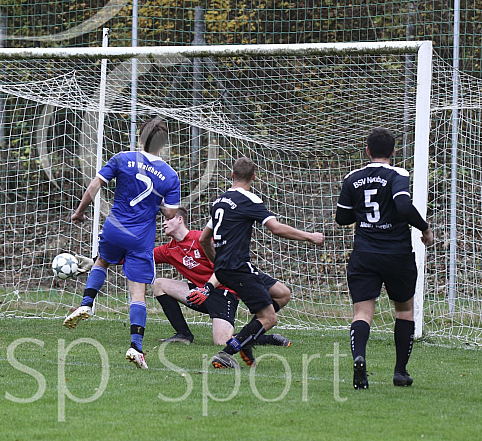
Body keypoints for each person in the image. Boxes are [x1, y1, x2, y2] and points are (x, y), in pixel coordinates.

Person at [62, 117, 181, 370]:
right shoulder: (170, 176)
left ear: (140, 137)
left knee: (102, 261)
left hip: (114, 228)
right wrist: (158, 203)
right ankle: (136, 347)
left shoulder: (122, 158)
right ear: (164, 143)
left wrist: (80, 212)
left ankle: (86, 303)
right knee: (137, 293)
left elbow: (95, 184)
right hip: (140, 238)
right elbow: (171, 214)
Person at [199, 157, 325, 369]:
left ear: (232, 175)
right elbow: (276, 228)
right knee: (269, 318)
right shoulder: (249, 199)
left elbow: (204, 239)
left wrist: (218, 265)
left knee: (283, 294)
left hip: (229, 268)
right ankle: (227, 353)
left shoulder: (219, 201)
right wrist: (309, 236)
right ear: (254, 177)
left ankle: (245, 338)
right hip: (238, 268)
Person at [335, 127, 434, 389]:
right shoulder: (398, 174)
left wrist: (363, 216)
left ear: (367, 150)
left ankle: (359, 358)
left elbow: (342, 218)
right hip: (397, 254)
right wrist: (424, 228)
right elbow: (402, 205)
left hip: (364, 254)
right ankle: (400, 372)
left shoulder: (352, 177)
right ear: (393, 151)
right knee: (404, 311)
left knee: (362, 312)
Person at [153, 207, 292, 360]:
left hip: (223, 291)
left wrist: (207, 288)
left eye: (167, 219)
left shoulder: (201, 239)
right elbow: (141, 257)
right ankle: (183, 335)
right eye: (163, 220)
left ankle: (266, 337)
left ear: (180, 219)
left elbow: (223, 268)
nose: (163, 223)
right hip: (201, 294)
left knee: (222, 341)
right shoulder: (168, 249)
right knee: (159, 284)